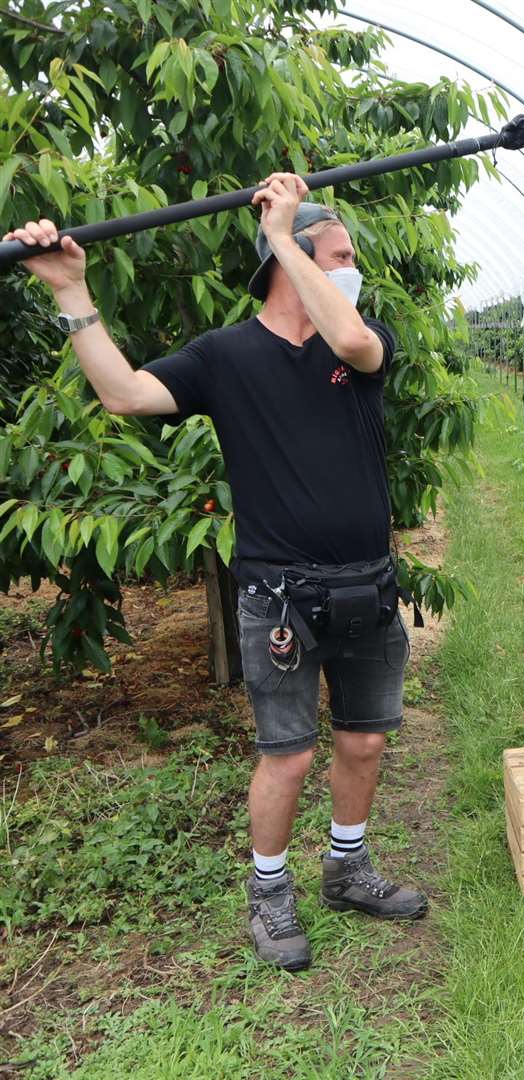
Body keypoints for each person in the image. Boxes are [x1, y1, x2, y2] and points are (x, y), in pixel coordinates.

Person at [6, 174, 428, 973]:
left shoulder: (363, 342)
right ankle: (270, 891)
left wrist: (282, 239)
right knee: (290, 752)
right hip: (279, 592)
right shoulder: (224, 355)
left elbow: (348, 340)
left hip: (367, 583)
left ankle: (347, 868)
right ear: (292, 258)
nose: (352, 268)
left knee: (365, 740)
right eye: (339, 254)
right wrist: (72, 293)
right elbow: (126, 393)